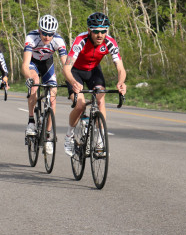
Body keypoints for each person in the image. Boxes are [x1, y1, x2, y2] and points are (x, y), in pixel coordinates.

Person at [62, 12, 126, 156]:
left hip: (93, 71)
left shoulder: (110, 42)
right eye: (96, 31)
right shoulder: (80, 40)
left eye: (103, 31)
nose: (100, 35)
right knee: (80, 105)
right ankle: (69, 137)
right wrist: (73, 82)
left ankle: (99, 140)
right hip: (75, 72)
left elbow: (120, 68)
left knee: (100, 100)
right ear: (90, 30)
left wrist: (121, 82)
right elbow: (66, 68)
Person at [21, 14, 67, 154]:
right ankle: (31, 122)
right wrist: (28, 76)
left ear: (54, 33)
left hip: (47, 65)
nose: (47, 37)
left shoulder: (59, 40)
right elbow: (25, 64)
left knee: (53, 97)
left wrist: (71, 80)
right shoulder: (31, 37)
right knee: (35, 82)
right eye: (44, 33)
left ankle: (47, 136)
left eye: (50, 34)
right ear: (39, 30)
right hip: (33, 64)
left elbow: (66, 64)